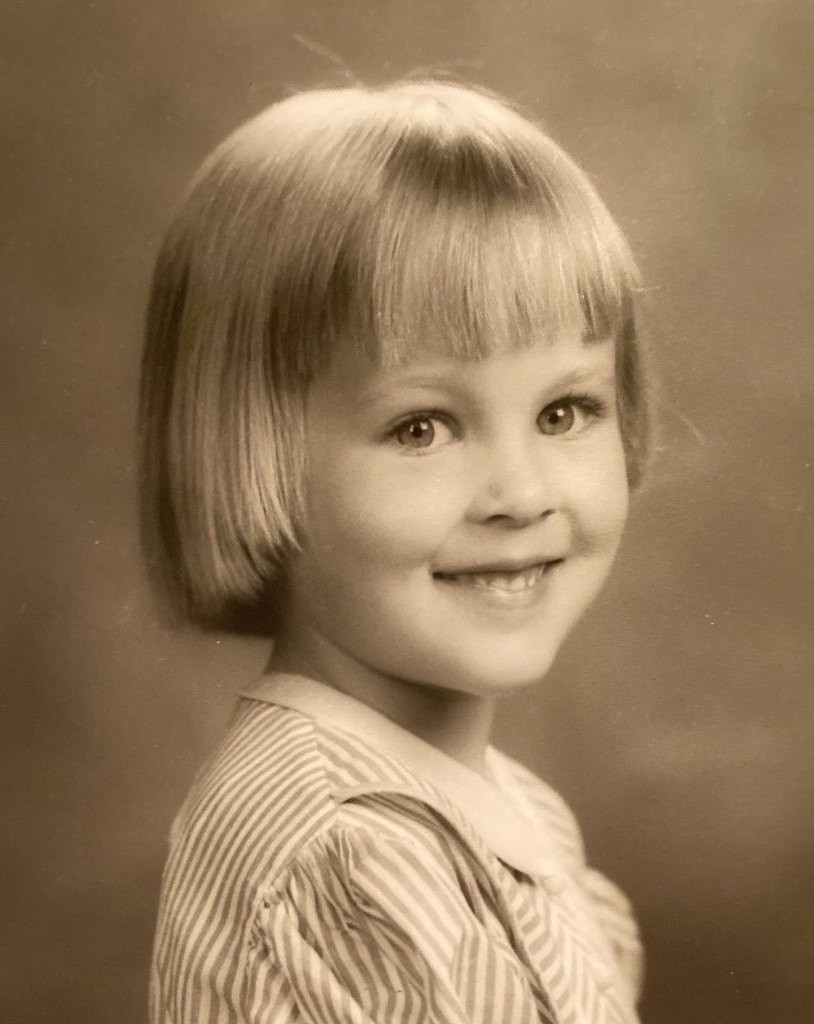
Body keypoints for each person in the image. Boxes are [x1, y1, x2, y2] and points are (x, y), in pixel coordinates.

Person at [140, 78, 649, 1024]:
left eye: (563, 411)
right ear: (250, 452)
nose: (521, 495)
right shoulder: (350, 854)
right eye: (422, 427)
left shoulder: (497, 808)